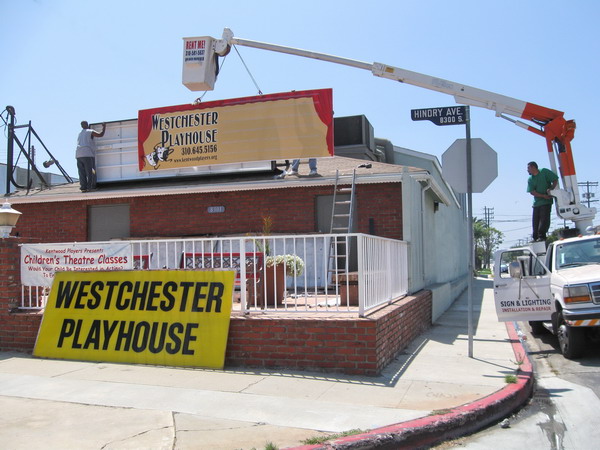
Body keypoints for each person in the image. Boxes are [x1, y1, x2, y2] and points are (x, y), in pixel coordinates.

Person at [527, 161, 558, 242]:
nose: (527, 170)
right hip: (537, 203)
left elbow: (555, 179)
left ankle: (542, 236)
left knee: (544, 219)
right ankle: (535, 237)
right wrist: (543, 195)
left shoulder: (544, 172)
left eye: (528, 168)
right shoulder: (530, 179)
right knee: (535, 221)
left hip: (546, 202)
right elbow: (532, 192)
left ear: (534, 167)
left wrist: (551, 189)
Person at [76, 121, 106, 192]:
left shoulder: (79, 134)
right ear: (87, 125)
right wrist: (104, 127)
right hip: (87, 154)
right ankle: (91, 187)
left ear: (81, 126)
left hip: (78, 154)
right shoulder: (90, 131)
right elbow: (100, 134)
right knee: (91, 171)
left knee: (81, 172)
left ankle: (83, 187)